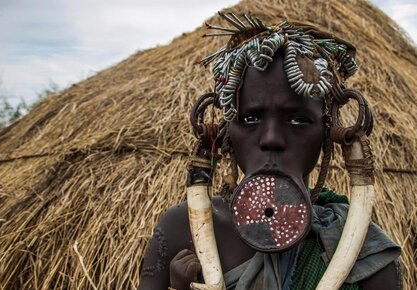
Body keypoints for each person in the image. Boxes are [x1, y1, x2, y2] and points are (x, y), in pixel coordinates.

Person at [138, 14, 402, 290]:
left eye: (298, 120)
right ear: (225, 133)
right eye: (250, 119)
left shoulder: (366, 253)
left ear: (328, 132)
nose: (272, 138)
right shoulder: (183, 229)